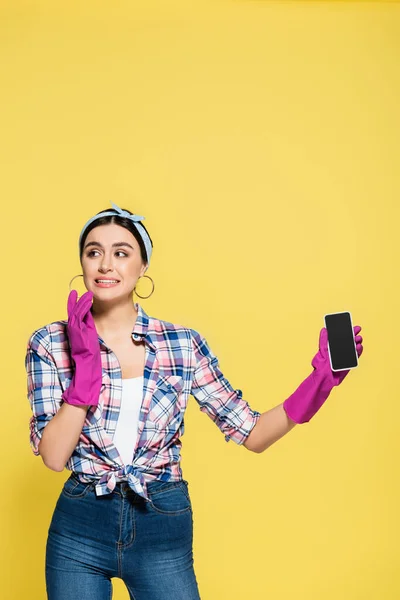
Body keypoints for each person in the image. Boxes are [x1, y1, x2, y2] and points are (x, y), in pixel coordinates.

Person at [25, 201, 364, 600]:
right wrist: (85, 374)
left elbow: (252, 433)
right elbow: (53, 456)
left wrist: (319, 384)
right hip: (80, 528)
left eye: (121, 253)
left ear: (142, 266)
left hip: (161, 524)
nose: (105, 265)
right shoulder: (50, 342)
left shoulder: (182, 345)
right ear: (81, 263)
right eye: (93, 252)